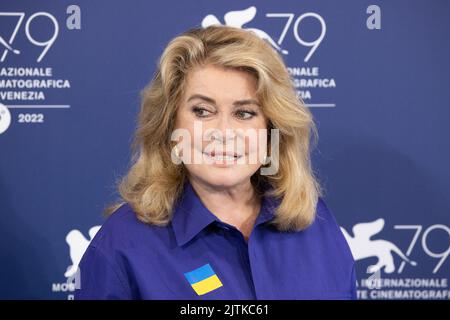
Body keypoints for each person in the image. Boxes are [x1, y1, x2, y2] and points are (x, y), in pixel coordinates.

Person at [74, 25, 356, 300]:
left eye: (244, 113)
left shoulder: (315, 221)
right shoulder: (122, 244)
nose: (223, 133)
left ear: (272, 131)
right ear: (170, 126)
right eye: (202, 111)